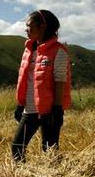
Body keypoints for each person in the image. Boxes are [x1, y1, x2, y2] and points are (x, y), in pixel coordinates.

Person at [12, 9, 71, 162]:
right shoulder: (29, 50)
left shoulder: (58, 51)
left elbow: (60, 81)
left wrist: (57, 111)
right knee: (17, 147)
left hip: (49, 110)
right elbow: (26, 79)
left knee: (49, 150)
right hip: (30, 109)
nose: (26, 29)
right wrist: (20, 105)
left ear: (43, 27)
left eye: (30, 26)